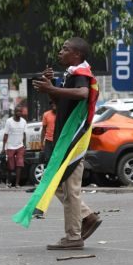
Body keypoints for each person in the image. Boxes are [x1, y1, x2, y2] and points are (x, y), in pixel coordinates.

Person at [16, 37, 101, 250]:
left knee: (69, 189)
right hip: (65, 138)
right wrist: (51, 85)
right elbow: (64, 102)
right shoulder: (71, 74)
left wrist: (51, 89)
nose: (60, 51)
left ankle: (73, 237)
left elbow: (83, 94)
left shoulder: (81, 74)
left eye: (65, 49)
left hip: (74, 141)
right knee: (55, 184)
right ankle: (86, 216)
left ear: (77, 55)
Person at [3, 105, 28, 188]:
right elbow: (5, 135)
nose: (19, 113)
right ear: (14, 112)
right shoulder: (9, 121)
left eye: (20, 111)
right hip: (10, 146)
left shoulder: (24, 121)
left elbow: (24, 134)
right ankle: (9, 181)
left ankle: (17, 183)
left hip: (20, 146)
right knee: (11, 166)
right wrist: (3, 147)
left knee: (19, 165)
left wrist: (24, 145)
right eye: (17, 111)